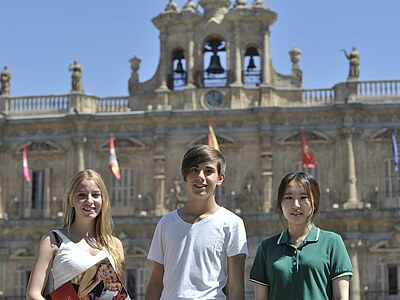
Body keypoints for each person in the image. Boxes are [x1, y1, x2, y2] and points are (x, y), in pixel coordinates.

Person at [145, 144, 249, 300]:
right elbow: (156, 282)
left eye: (208, 171)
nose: (201, 176)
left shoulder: (232, 224)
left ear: (220, 178)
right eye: (194, 169)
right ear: (184, 176)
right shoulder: (166, 223)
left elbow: (236, 287)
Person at [250, 171, 353, 300]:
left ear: (314, 202)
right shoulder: (266, 248)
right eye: (289, 198)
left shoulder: (332, 243)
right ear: (280, 204)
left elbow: (341, 297)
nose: (296, 205)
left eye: (303, 197)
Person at [26, 169, 125, 300]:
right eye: (82, 195)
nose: (89, 201)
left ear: (103, 199)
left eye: (95, 195)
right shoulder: (53, 240)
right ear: (71, 200)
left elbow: (120, 294)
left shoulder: (115, 244)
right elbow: (33, 294)